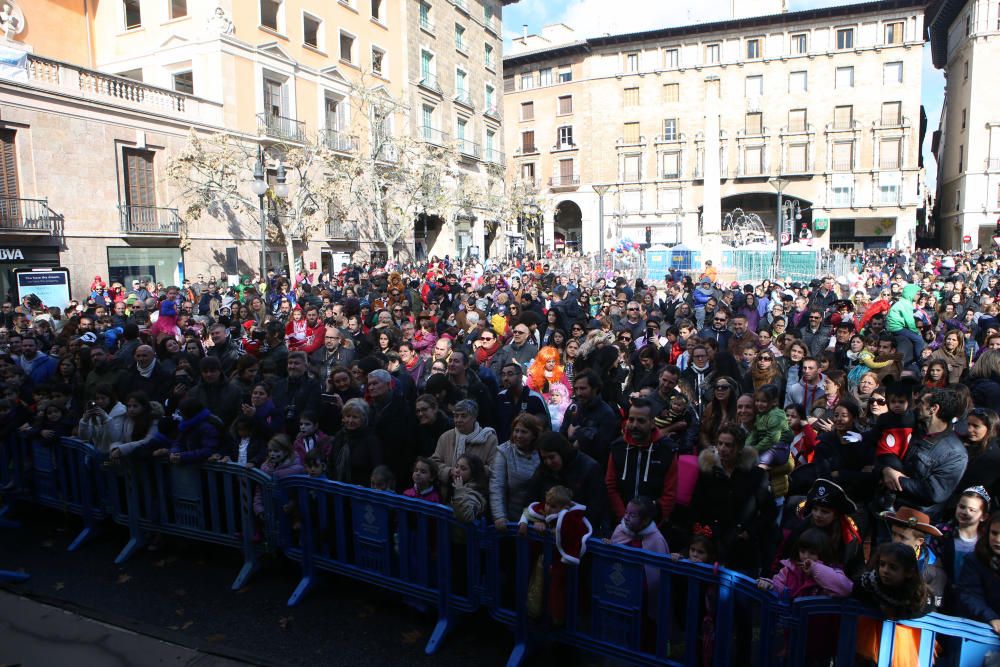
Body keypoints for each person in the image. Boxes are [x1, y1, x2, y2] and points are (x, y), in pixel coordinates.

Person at [878, 388, 968, 522]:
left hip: (916, 519)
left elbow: (935, 492)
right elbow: (884, 451)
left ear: (933, 409)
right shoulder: (911, 429)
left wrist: (897, 480)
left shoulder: (955, 453)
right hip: (886, 505)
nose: (916, 406)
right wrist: (885, 469)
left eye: (921, 402)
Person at [605, 398, 679, 526]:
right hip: (621, 523)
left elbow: (669, 493)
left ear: (652, 423)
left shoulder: (667, 450)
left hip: (653, 524)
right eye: (631, 419)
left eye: (641, 421)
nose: (634, 425)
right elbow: (611, 486)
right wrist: (624, 519)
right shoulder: (618, 447)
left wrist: (653, 523)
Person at [527, 431, 609, 536]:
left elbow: (597, 507)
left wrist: (570, 527)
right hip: (550, 532)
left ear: (562, 452)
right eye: (544, 458)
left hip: (581, 533)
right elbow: (531, 497)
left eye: (551, 457)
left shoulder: (589, 468)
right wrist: (536, 519)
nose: (548, 462)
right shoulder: (543, 469)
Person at [758, 528, 852, 599]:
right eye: (802, 551)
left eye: (812, 553)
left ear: (823, 553)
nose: (806, 556)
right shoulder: (789, 569)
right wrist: (770, 585)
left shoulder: (833, 570)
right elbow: (779, 587)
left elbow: (845, 589)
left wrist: (815, 568)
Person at [559, 370, 619, 472]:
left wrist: (579, 438)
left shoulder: (606, 414)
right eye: (576, 389)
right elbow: (561, 436)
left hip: (594, 470)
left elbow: (602, 448)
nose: (578, 393)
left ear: (595, 389)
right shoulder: (573, 408)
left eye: (583, 388)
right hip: (571, 467)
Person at [490, 413, 542, 529]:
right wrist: (499, 516)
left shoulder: (542, 452)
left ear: (534, 434)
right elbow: (497, 486)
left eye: (524, 432)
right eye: (516, 431)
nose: (518, 435)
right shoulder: (504, 451)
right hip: (511, 520)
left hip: (538, 519)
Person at [431, 398, 498, 486]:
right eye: (456, 416)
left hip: (475, 492)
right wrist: (450, 471)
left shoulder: (489, 439)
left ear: (474, 417)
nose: (458, 420)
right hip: (448, 491)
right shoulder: (446, 437)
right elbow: (434, 463)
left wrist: (469, 472)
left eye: (463, 416)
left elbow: (495, 468)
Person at [956, 512, 1000, 634]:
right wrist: (991, 617)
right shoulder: (975, 560)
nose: (997, 539)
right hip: (980, 628)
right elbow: (969, 594)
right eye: (994, 533)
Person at [327, 398, 382, 485]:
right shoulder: (340, 436)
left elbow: (377, 468)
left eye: (355, 417)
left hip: (360, 492)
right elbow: (331, 462)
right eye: (348, 416)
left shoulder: (371, 440)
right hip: (337, 490)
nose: (350, 421)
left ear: (364, 419)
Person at [449, 453, 489, 523]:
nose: (457, 470)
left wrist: (459, 491)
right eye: (456, 466)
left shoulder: (475, 493)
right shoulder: (459, 485)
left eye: (463, 468)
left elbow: (466, 516)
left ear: (473, 473)